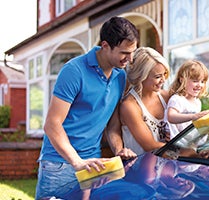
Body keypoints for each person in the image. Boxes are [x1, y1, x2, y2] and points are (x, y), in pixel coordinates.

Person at [35, 16, 139, 199]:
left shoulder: (120, 76)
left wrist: (119, 150)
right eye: (124, 53)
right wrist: (76, 162)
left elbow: (112, 124)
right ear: (105, 45)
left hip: (94, 163)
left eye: (132, 52)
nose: (129, 59)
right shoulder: (74, 71)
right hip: (60, 163)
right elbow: (52, 124)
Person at [165, 60, 209, 160]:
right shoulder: (177, 99)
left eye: (202, 81)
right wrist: (193, 116)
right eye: (195, 81)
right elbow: (171, 116)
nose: (199, 85)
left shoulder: (197, 102)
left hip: (189, 143)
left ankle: (208, 152)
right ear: (182, 80)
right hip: (176, 146)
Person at [119, 47, 170, 156]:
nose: (163, 80)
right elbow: (150, 146)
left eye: (164, 74)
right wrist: (185, 150)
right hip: (140, 169)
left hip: (170, 166)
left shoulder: (166, 97)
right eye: (157, 76)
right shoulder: (130, 106)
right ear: (141, 76)